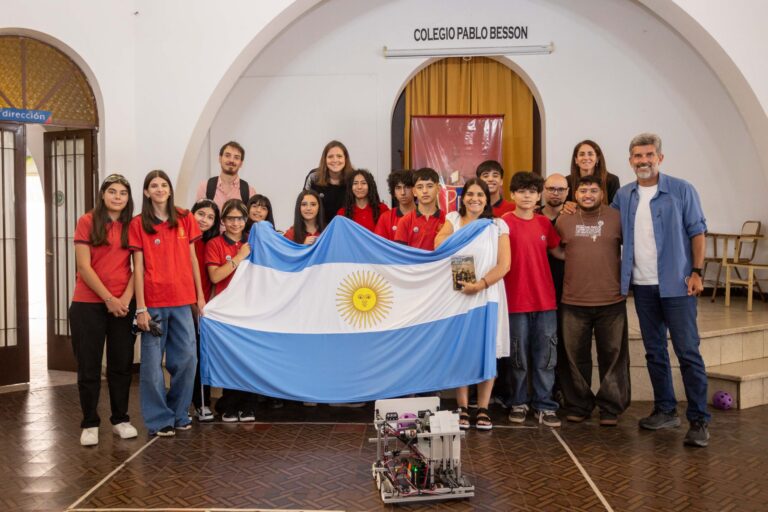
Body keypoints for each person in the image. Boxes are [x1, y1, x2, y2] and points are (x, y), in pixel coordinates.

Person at [612, 132, 710, 447]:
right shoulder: (624, 196)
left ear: (660, 158)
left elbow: (697, 231)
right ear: (630, 161)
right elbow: (606, 227)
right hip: (642, 286)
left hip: (678, 286)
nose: (643, 161)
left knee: (687, 352)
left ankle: (698, 420)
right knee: (654, 351)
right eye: (637, 156)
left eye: (649, 155)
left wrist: (696, 271)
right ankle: (665, 410)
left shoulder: (682, 190)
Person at [130, 170, 206, 437]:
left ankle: (178, 412)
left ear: (170, 190)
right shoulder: (138, 223)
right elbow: (137, 267)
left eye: (164, 184)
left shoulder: (185, 218)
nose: (160, 189)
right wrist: (141, 308)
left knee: (187, 359)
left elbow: (194, 260)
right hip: (153, 304)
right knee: (151, 366)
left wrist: (199, 296)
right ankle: (158, 419)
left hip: (183, 301)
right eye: (154, 185)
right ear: (146, 192)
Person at [434, 178, 511, 430]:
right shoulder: (453, 220)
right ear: (463, 197)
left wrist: (481, 284)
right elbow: (439, 244)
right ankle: (463, 407)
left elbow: (504, 265)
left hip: (488, 293)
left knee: (486, 349)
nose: (474, 198)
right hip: (460, 293)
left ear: (487, 199)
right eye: (470, 194)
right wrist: (467, 279)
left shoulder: (497, 225)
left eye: (480, 194)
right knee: (463, 349)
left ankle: (483, 408)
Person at [554, 174, 630, 426]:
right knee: (574, 358)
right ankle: (579, 404)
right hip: (574, 300)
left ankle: (610, 407)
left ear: (602, 194)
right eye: (583, 190)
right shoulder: (564, 220)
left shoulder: (617, 218)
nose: (587, 194)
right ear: (575, 194)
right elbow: (554, 248)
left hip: (611, 300)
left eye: (593, 190)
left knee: (614, 356)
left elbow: (630, 249)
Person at [70, 174, 137, 446]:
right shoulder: (87, 221)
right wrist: (109, 298)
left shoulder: (133, 225)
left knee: (121, 365)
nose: (118, 197)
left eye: (122, 192)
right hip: (88, 304)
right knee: (89, 366)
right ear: (103, 195)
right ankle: (89, 423)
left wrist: (125, 299)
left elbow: (138, 267)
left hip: (123, 304)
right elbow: (84, 267)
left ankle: (120, 419)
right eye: (112, 191)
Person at [501, 172, 562, 428]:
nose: (527, 196)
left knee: (546, 357)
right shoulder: (502, 223)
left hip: (545, 301)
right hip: (515, 302)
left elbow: (558, 251)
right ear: (512, 194)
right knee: (518, 357)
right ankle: (518, 402)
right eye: (522, 191)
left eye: (532, 192)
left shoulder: (544, 224)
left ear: (539, 196)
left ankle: (545, 405)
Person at [205, 199, 260, 422]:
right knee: (231, 359)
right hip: (226, 309)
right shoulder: (215, 244)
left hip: (251, 307)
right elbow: (215, 276)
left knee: (250, 358)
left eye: (240, 218)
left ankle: (248, 405)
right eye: (231, 218)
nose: (235, 223)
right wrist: (238, 257)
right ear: (223, 221)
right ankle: (229, 404)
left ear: (246, 220)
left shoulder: (254, 242)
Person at [190, 199, 220, 422]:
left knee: (202, 355)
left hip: (205, 307)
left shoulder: (211, 243)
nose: (204, 220)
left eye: (210, 217)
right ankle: (186, 403)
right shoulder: (183, 241)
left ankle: (203, 403)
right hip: (184, 304)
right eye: (201, 214)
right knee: (186, 357)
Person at [394, 167, 445, 250]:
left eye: (430, 186)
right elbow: (400, 256)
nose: (425, 191)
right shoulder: (405, 221)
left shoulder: (447, 220)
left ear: (438, 189)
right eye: (420, 187)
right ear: (414, 191)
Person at [304, 140, 354, 225]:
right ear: (325, 159)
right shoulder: (313, 177)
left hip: (345, 230)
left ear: (345, 159)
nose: (335, 160)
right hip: (320, 230)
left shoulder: (354, 179)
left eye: (339, 156)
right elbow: (304, 206)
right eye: (330, 157)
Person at [195, 141, 256, 210]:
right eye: (227, 155)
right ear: (220, 159)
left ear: (241, 163)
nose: (231, 160)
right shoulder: (205, 187)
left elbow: (251, 220)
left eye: (236, 157)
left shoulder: (250, 192)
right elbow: (198, 217)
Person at [566, 140, 620, 204]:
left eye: (590, 154)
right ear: (576, 160)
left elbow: (615, 209)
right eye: (582, 154)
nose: (586, 158)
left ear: (597, 159)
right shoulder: (567, 181)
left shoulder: (612, 180)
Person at [375, 170, 415, 241]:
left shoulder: (424, 216)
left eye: (407, 187)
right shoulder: (385, 218)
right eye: (398, 188)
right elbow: (379, 246)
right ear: (394, 192)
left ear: (415, 190)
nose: (403, 192)